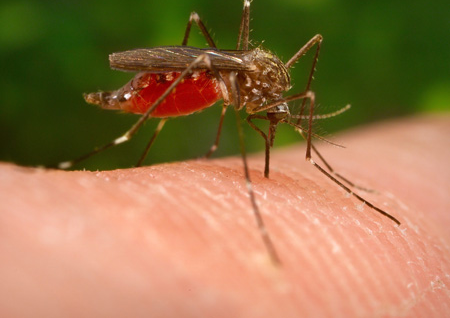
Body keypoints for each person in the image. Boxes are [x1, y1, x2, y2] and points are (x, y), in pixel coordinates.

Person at [0, 115, 448, 317]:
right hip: (200, 75)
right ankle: (125, 141)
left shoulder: (276, 97)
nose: (276, 123)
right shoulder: (249, 91)